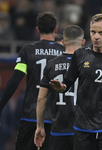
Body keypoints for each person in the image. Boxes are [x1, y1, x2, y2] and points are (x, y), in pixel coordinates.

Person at [49, 13, 102, 150]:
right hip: (83, 124)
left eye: (101, 32)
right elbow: (67, 82)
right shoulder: (80, 55)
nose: (96, 36)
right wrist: (61, 87)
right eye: (93, 32)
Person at [0, 12, 65, 150]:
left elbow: (14, 82)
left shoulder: (28, 50)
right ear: (56, 29)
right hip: (56, 118)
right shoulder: (64, 52)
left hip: (31, 116)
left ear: (37, 30)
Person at [34, 25, 85, 150]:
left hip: (59, 127)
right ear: (83, 42)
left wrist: (39, 127)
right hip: (84, 128)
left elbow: (41, 99)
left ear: (63, 42)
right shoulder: (88, 64)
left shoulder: (51, 64)